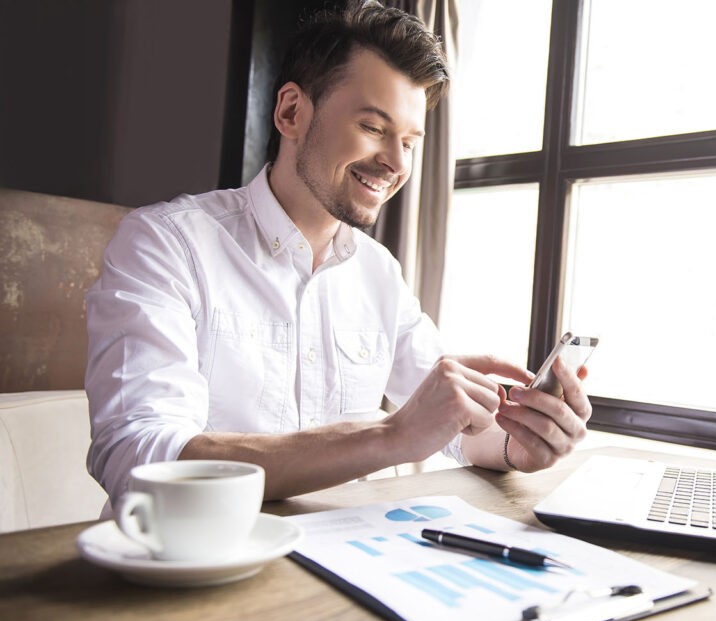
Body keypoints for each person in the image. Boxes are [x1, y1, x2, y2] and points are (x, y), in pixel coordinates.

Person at [84, 2, 591, 510]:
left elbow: (457, 433)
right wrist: (389, 437)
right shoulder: (164, 242)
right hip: (185, 568)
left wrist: (517, 443)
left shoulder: (380, 274)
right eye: (373, 127)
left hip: (342, 565)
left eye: (410, 142)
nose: (395, 163)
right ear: (291, 112)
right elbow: (142, 457)